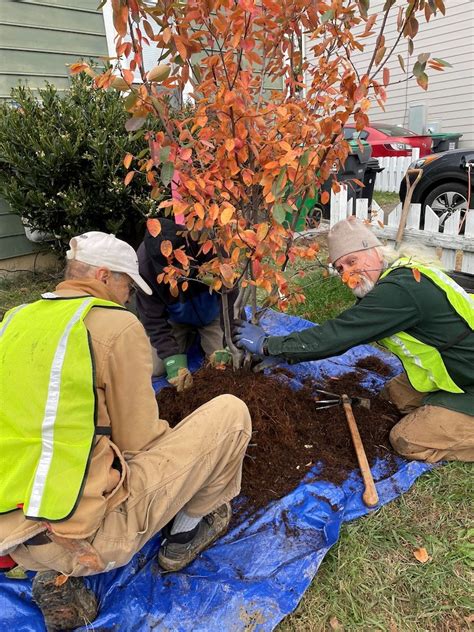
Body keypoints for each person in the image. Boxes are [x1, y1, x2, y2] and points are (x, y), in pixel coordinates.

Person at [0, 231, 251, 631]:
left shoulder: (14, 319)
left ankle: (52, 575)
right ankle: (184, 537)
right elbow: (139, 442)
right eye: (125, 286)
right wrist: (176, 435)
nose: (127, 296)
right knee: (231, 414)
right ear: (103, 275)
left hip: (10, 538)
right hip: (86, 538)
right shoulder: (114, 325)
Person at [235, 217, 474, 463]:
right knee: (393, 397)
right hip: (458, 370)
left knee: (407, 439)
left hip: (468, 377)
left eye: (352, 261)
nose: (348, 273)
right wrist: (287, 351)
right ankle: (445, 407)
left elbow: (337, 335)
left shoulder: (400, 291)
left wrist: (269, 344)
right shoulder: (400, 274)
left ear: (374, 252)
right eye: (340, 269)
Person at [136, 218, 231, 391]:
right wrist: (172, 359)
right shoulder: (144, 267)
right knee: (156, 368)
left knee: (227, 361)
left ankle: (203, 337)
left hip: (213, 314)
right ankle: (188, 337)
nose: (177, 275)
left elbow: (232, 295)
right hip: (176, 318)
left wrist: (228, 336)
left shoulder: (204, 243)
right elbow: (152, 319)